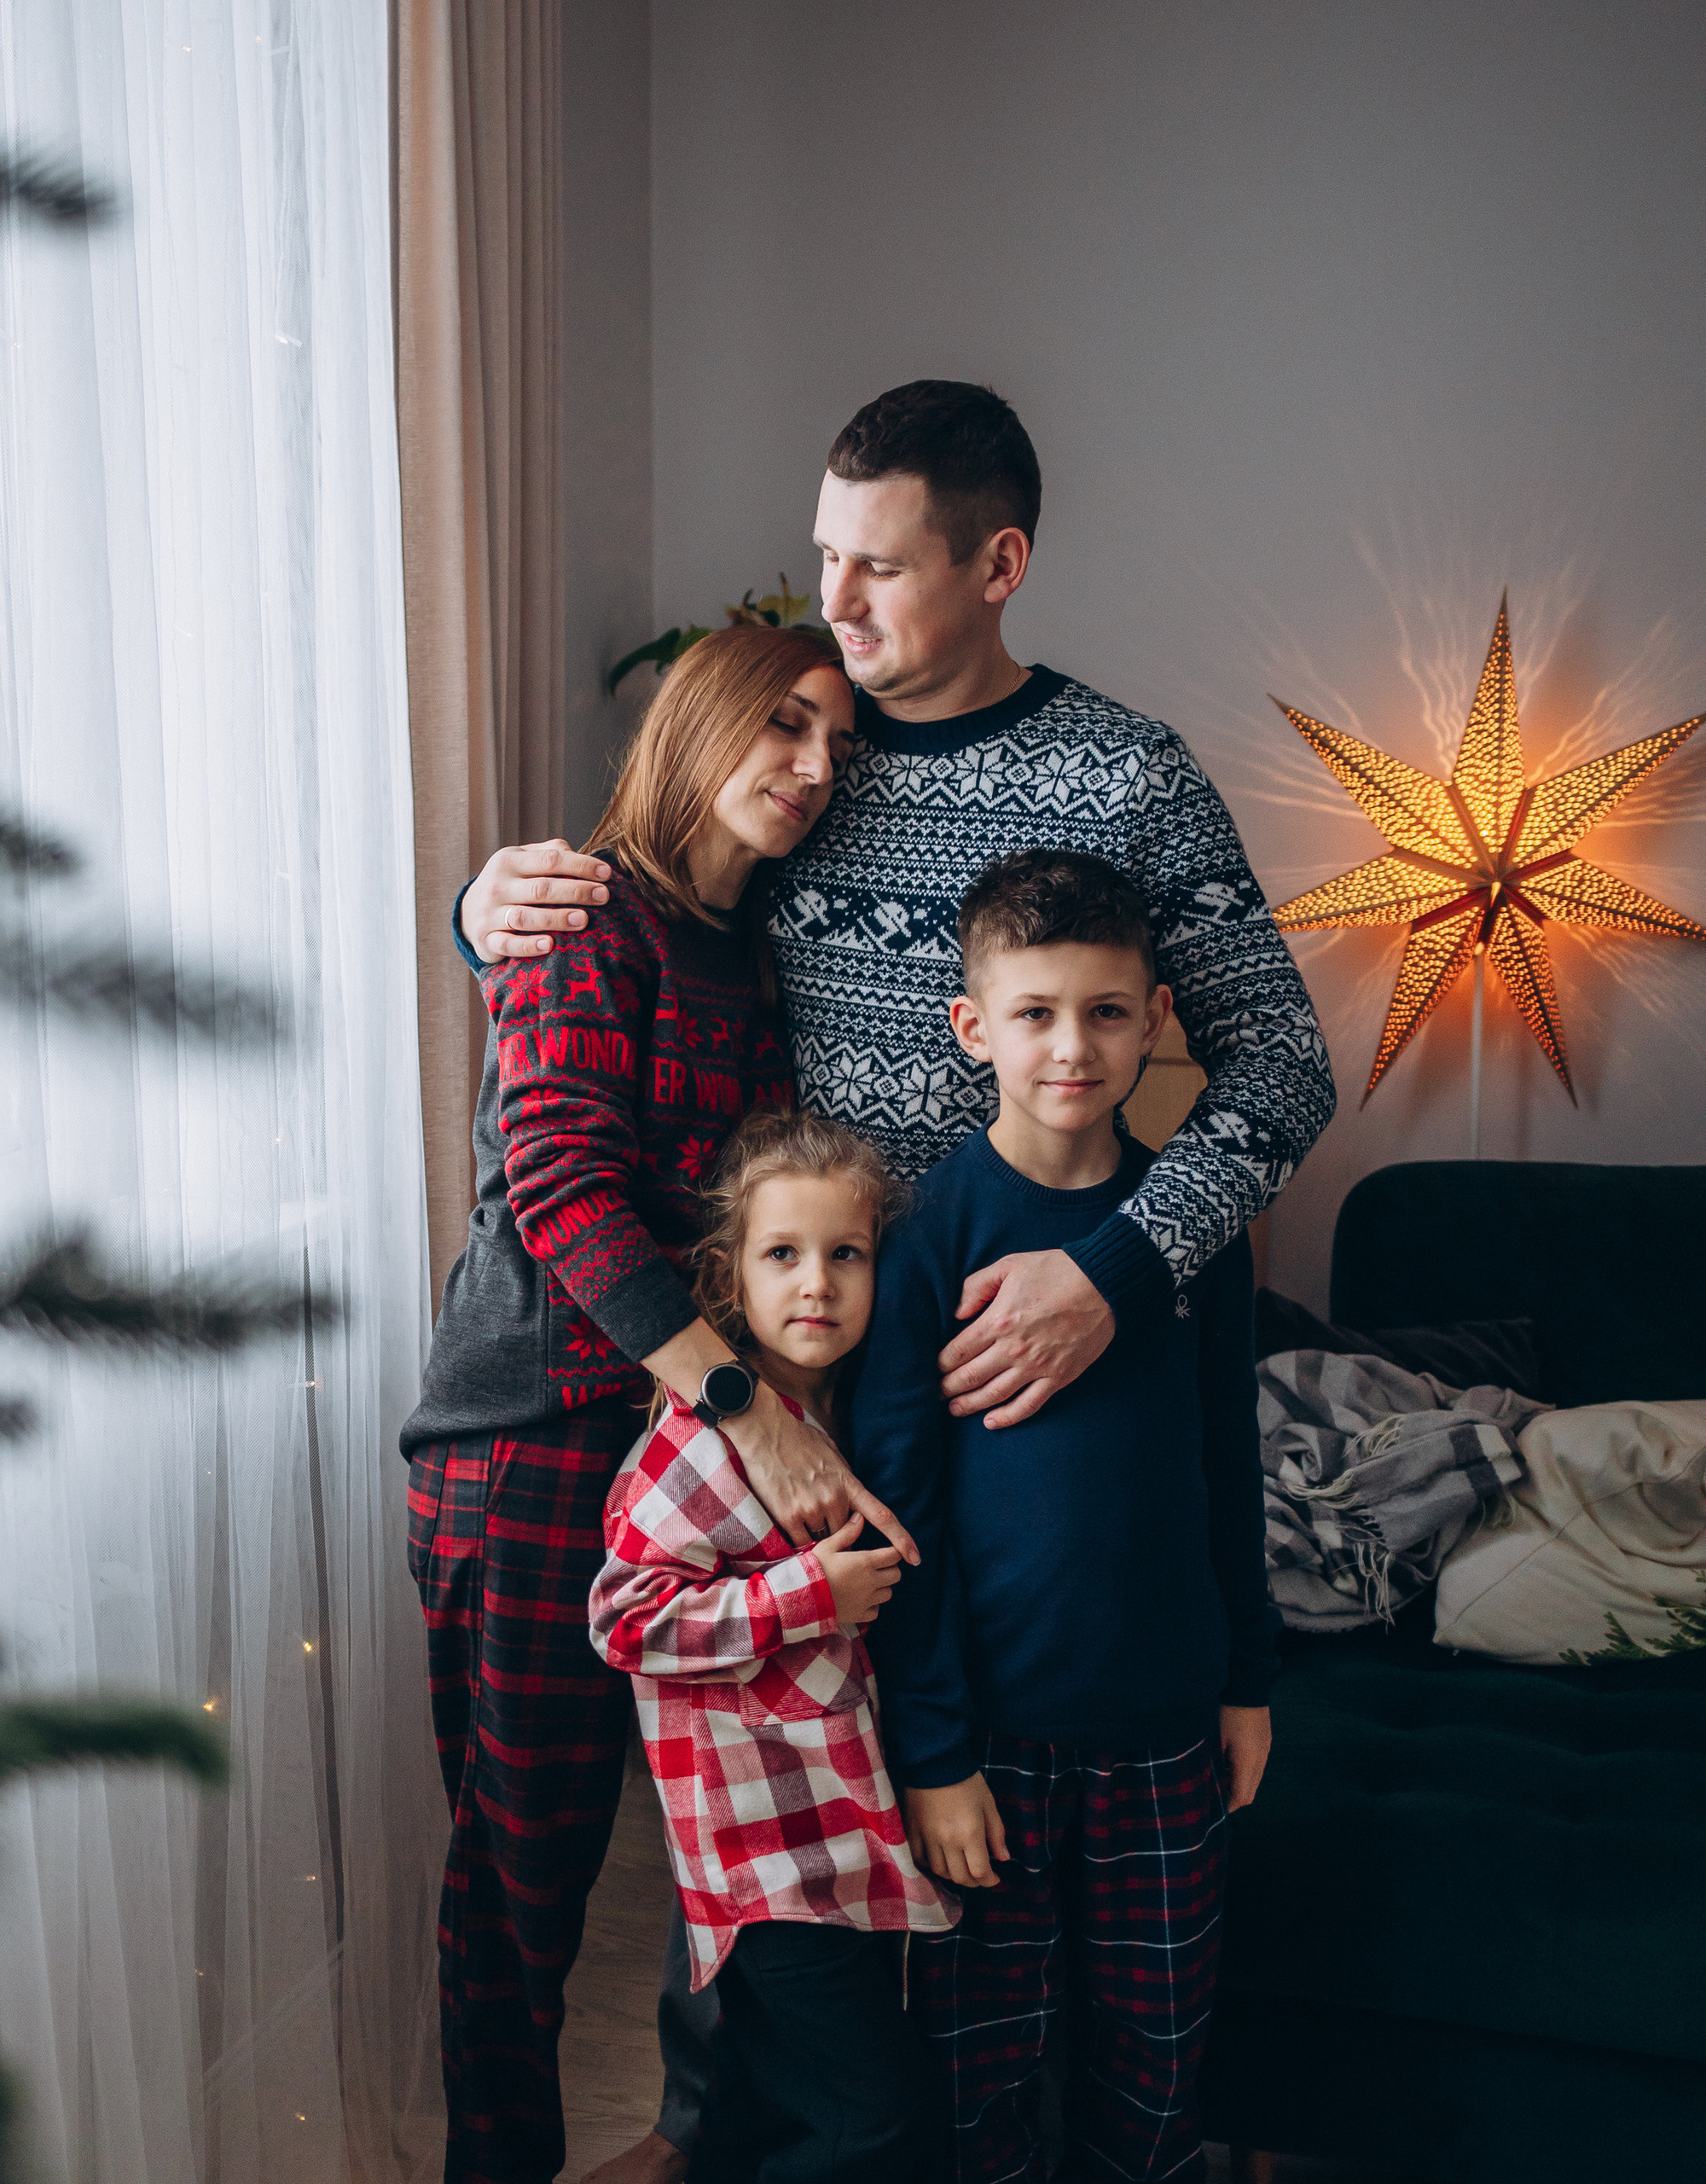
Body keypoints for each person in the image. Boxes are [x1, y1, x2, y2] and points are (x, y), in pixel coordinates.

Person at [458, 380, 1332, 2184]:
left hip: (1018, 1381)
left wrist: (1112, 1269)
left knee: (933, 1879)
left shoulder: (1121, 775)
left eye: (877, 569)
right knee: (757, 1885)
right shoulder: (800, 765)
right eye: (821, 562)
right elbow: (633, 929)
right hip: (771, 1369)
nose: (831, 610)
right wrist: (485, 906)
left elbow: (1279, 1071)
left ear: (996, 563)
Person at [399, 625, 880, 2184]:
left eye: (838, 743)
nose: (815, 767)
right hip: (532, 1439)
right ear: (696, 724)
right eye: (785, 725)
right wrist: (750, 1413)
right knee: (522, 1881)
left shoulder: (758, 952)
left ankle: (697, 2144)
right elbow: (561, 1191)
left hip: (676, 1453)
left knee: (718, 1836)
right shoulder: (580, 916)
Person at [851, 849, 1277, 2182]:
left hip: (1163, 1732)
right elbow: (896, 1513)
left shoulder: (1191, 1230)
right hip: (994, 1740)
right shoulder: (924, 1233)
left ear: (1156, 1018)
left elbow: (1228, 1466)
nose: (1072, 1048)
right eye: (1035, 1014)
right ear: (976, 1028)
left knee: (1155, 2080)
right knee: (980, 2079)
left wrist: (1248, 1682)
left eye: (1104, 1012)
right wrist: (930, 1753)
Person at [589, 1107, 957, 2182]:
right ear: (726, 1277)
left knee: (769, 2099)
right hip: (761, 1854)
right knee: (869, 2114)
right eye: (783, 1255)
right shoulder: (697, 1445)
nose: (817, 1285)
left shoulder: (850, 1416)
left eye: (846, 1255)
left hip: (831, 1830)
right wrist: (806, 1594)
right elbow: (623, 1619)